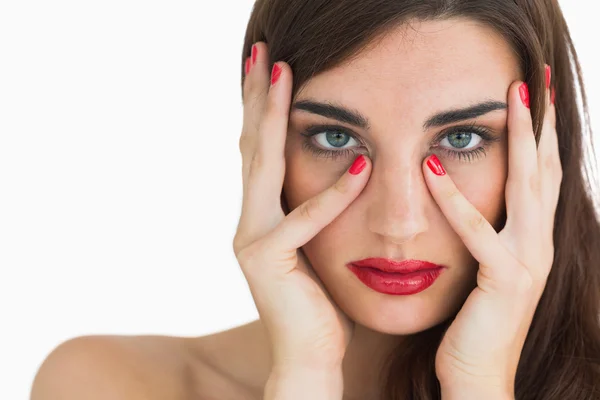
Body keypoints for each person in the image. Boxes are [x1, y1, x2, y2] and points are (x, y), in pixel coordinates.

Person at [31, 0, 600, 399]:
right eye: (336, 138)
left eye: (461, 138)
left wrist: (479, 383)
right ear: (263, 142)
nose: (397, 223)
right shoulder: (107, 386)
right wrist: (303, 376)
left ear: (545, 143)